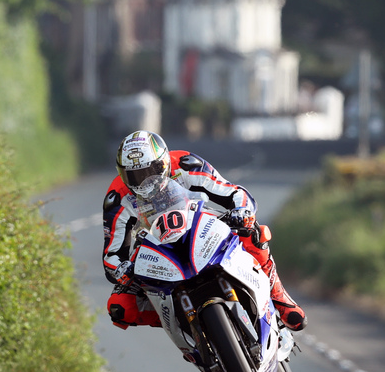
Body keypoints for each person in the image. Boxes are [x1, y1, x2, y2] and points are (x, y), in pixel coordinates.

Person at [102, 130, 307, 332]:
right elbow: (111, 255)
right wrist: (123, 270)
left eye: (151, 171)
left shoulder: (185, 165)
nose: (144, 181)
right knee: (119, 308)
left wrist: (241, 212)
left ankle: (279, 299)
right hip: (156, 249)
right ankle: (180, 322)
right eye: (134, 176)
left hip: (201, 226)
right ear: (122, 173)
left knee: (253, 232)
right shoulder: (117, 197)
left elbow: (234, 193)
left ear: (164, 162)